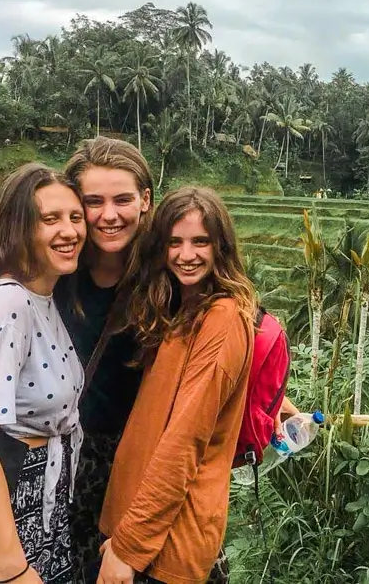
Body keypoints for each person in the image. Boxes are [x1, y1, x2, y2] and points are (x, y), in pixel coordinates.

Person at [0, 137, 153, 581]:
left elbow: (228, 317)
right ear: (26, 226)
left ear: (145, 201)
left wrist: (267, 396)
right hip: (30, 473)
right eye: (91, 203)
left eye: (122, 199)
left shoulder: (160, 266)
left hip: (107, 464)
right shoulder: (41, 273)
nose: (105, 216)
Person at [96, 186, 256, 584]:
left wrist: (128, 547)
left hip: (164, 544)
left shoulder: (221, 319)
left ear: (221, 247)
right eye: (175, 243)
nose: (187, 256)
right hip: (138, 527)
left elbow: (185, 440)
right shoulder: (182, 309)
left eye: (201, 242)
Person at [0, 162, 86, 583]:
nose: (69, 230)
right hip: (14, 508)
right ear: (20, 228)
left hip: (44, 505)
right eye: (50, 219)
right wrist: (12, 569)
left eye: (75, 217)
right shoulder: (9, 303)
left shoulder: (44, 295)